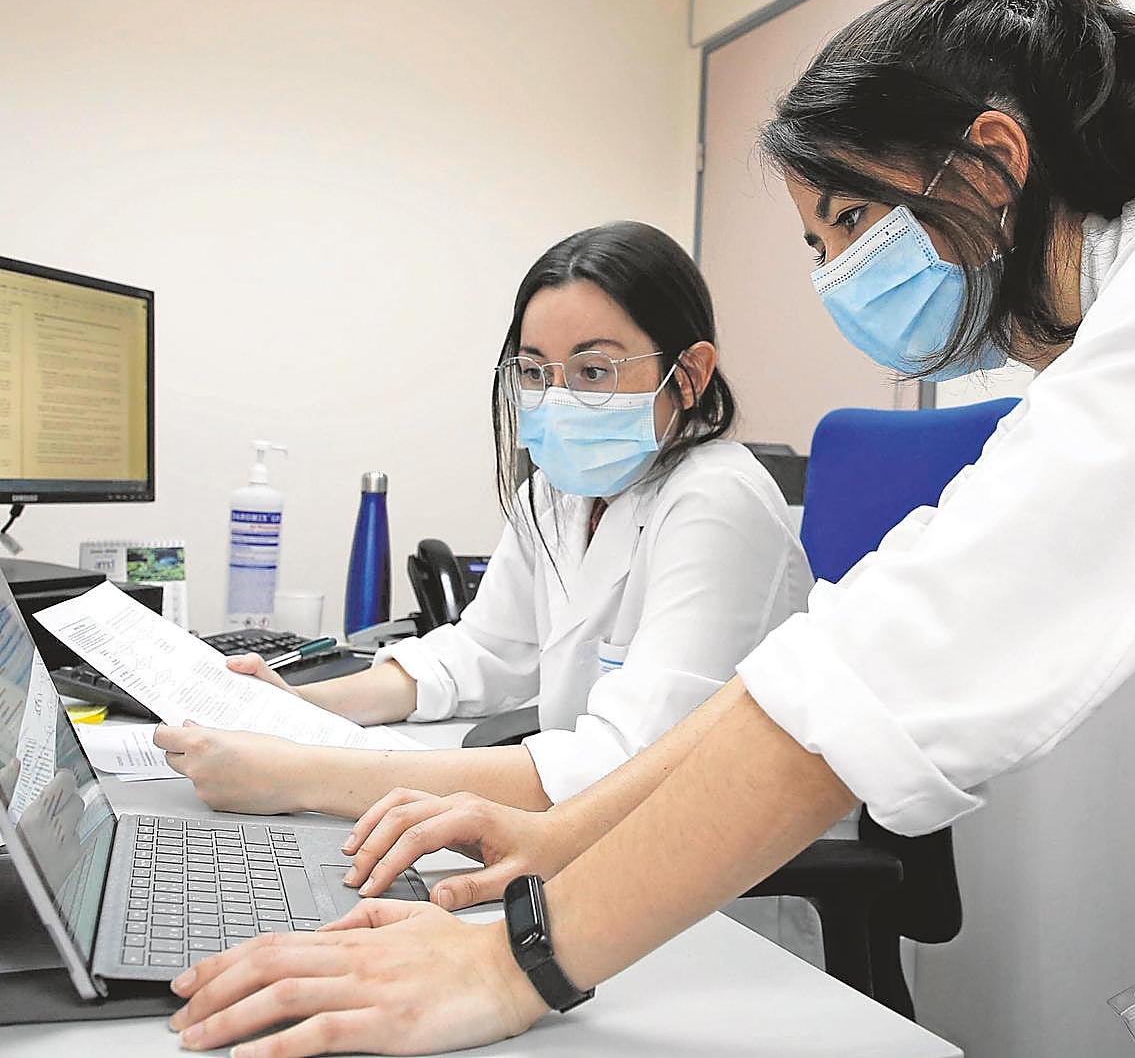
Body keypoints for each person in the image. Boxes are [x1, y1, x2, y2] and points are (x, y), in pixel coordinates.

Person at [168, 0, 1135, 1058]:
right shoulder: (1128, 323)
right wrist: (558, 836)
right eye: (818, 243)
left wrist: (515, 960)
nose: (839, 275)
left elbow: (862, 686)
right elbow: (812, 664)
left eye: (854, 217)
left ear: (994, 162)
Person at [155, 221, 812, 847]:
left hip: (714, 874)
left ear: (690, 374)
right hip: (584, 839)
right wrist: (299, 708)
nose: (556, 400)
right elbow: (483, 654)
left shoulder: (718, 501)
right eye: (535, 372)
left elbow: (631, 763)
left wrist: (302, 775)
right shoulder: (557, 497)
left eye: (594, 372)